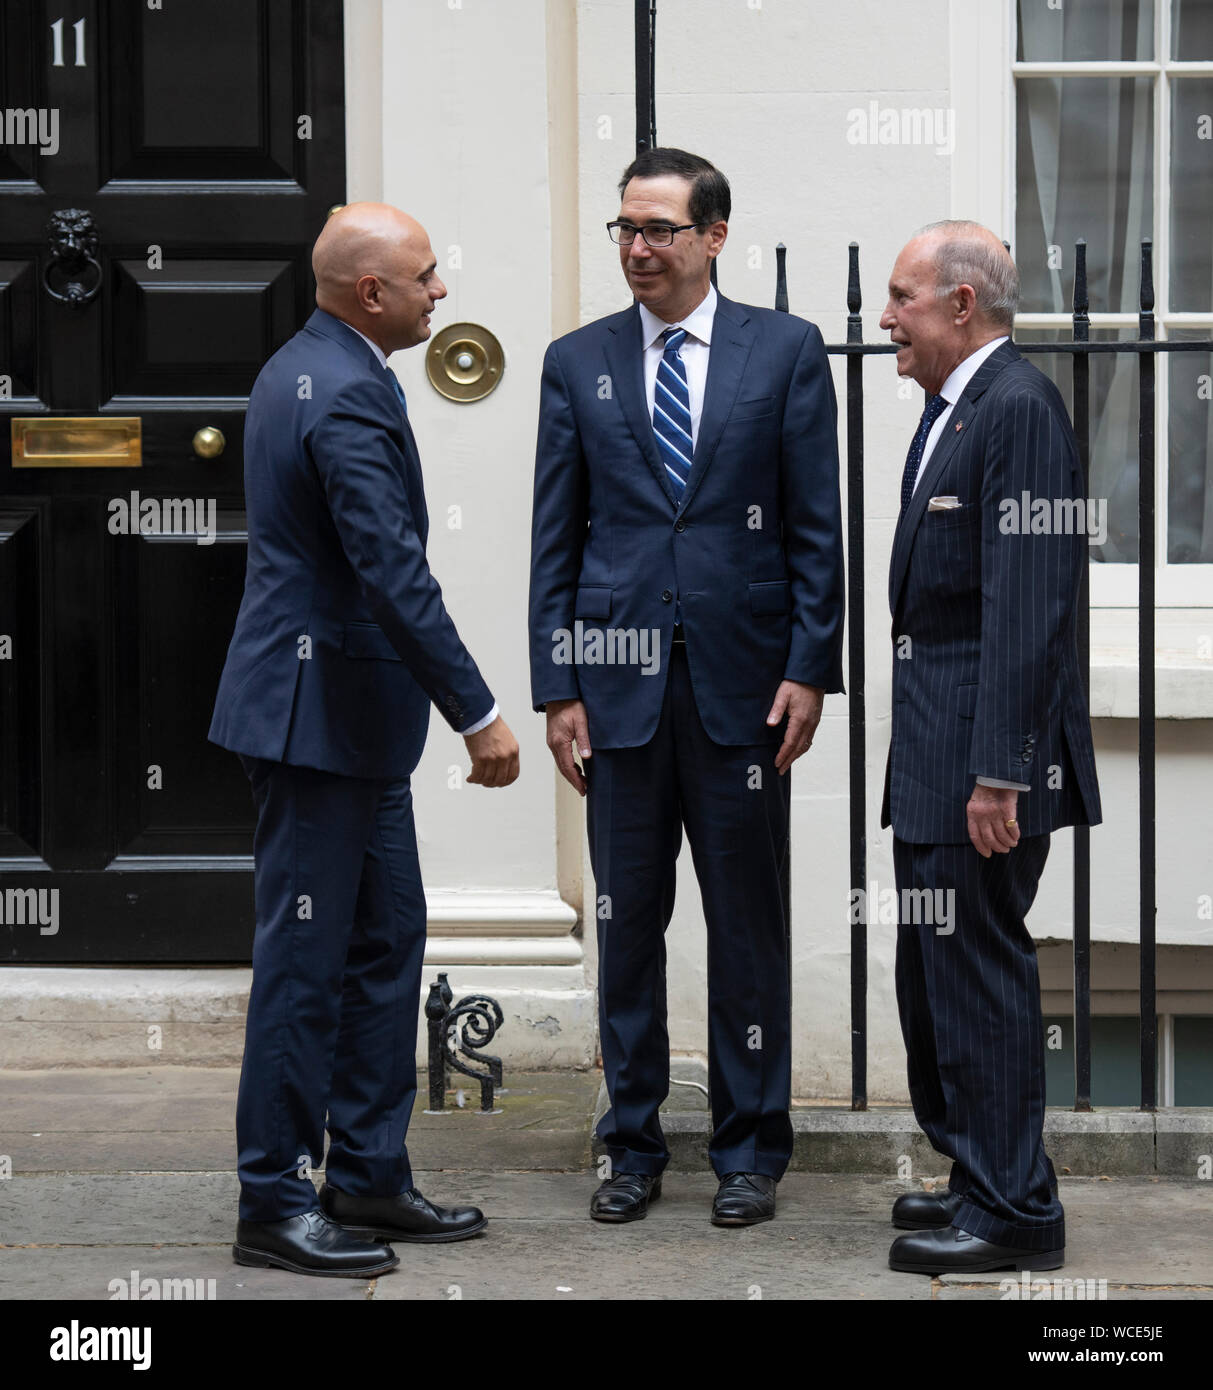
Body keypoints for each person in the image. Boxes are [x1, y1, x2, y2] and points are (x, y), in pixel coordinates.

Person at [529, 148, 845, 1227]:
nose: (637, 247)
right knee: (627, 927)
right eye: (624, 228)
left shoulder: (787, 353)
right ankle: (630, 1144)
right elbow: (555, 536)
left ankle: (750, 1148)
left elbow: (815, 527)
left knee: (747, 927)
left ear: (713, 236)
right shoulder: (577, 362)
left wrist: (810, 666)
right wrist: (556, 683)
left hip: (743, 690)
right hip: (615, 691)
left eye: (659, 228)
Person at [209, 202, 519, 1277]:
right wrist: (475, 712)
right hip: (314, 726)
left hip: (349, 724)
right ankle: (273, 1198)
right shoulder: (338, 390)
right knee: (306, 963)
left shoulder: (322, 364)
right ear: (372, 293)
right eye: (428, 276)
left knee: (388, 945)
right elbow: (390, 570)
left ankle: (368, 1173)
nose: (444, 292)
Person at [878, 220, 1101, 1274]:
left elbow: (1029, 601)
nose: (885, 321)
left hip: (978, 763)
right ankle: (977, 1173)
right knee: (933, 982)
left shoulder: (1015, 408)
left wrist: (1000, 770)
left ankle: (1015, 1210)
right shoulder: (952, 408)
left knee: (977, 980)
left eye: (901, 300)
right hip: (935, 753)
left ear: (960, 305)